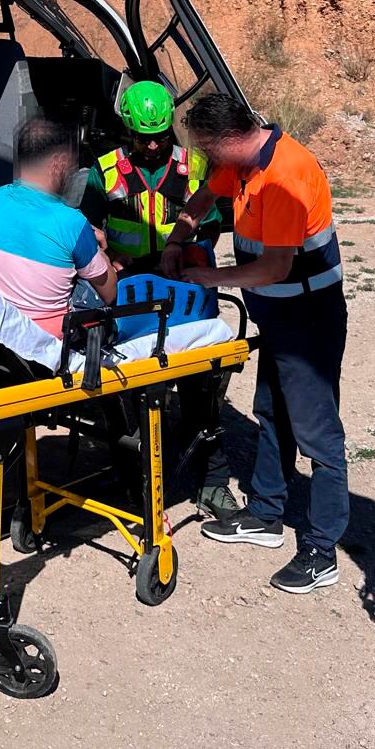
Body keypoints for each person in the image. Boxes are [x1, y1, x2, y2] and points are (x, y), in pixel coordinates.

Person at [162, 92, 349, 595]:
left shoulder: (285, 176)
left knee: (317, 433)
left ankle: (321, 548)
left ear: (225, 140)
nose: (205, 161)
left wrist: (206, 275)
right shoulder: (243, 161)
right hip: (277, 309)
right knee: (271, 410)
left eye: (205, 150)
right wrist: (178, 238)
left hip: (306, 314)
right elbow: (203, 198)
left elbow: (275, 267)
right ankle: (266, 515)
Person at [80, 81, 239, 522]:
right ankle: (137, 480)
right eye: (142, 137)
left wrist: (189, 251)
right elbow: (89, 229)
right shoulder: (105, 170)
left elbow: (213, 224)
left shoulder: (196, 168)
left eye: (161, 135)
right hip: (130, 294)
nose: (152, 145)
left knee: (201, 389)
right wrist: (107, 257)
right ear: (127, 129)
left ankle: (213, 481)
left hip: (186, 291)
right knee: (129, 392)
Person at [0, 117, 116, 338]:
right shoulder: (72, 222)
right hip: (41, 345)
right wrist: (101, 254)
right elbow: (110, 294)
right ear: (59, 163)